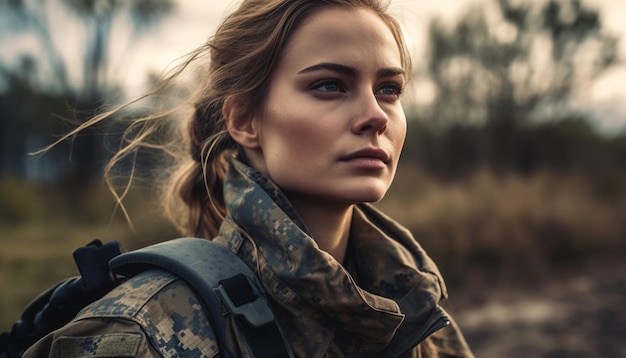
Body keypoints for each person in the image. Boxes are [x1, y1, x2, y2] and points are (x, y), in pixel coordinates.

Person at [23, 0, 474, 356]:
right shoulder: (146, 332)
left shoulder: (412, 310)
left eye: (388, 89)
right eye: (330, 85)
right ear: (245, 120)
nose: (376, 116)